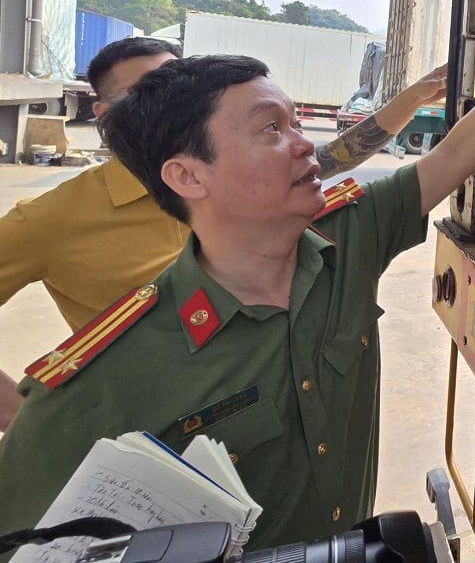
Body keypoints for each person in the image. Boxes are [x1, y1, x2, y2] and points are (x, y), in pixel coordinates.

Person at [0, 15, 475, 551]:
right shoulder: (107, 378)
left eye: (296, 123)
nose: (305, 147)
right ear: (187, 176)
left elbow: (453, 157)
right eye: (272, 129)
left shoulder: (346, 238)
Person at [0, 37, 447, 431]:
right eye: (148, 91)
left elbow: (338, 155)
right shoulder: (54, 219)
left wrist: (419, 94)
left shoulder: (243, 182)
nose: (171, 100)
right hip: (153, 440)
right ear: (103, 114)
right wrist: (33, 426)